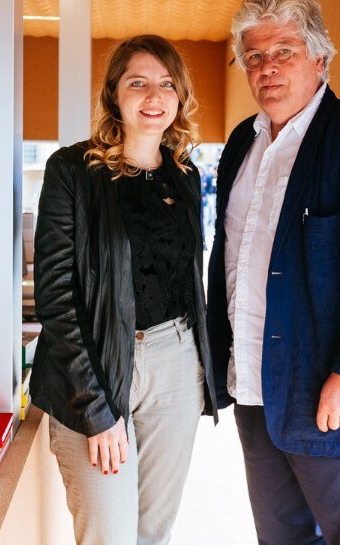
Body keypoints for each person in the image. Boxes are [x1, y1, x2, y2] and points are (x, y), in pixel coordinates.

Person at [207, 0, 340, 544]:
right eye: (254, 56)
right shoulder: (238, 148)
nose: (267, 68)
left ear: (319, 59)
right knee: (282, 539)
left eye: (284, 52)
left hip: (330, 395)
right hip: (253, 387)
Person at [29, 35, 217, 545]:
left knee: (152, 533)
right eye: (138, 82)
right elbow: (55, 296)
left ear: (179, 97)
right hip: (95, 367)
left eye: (165, 84)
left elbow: (188, 281)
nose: (153, 95)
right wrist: (96, 408)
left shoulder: (184, 174)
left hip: (175, 364)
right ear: (115, 93)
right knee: (110, 536)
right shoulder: (73, 170)